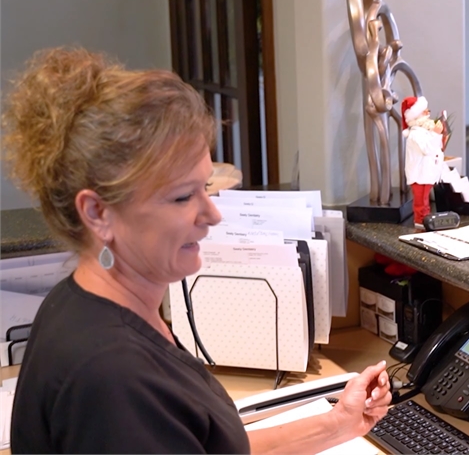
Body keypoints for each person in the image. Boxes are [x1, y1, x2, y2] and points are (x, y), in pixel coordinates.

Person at [3, 47, 393, 453]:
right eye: (181, 197)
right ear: (98, 212)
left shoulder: (86, 303)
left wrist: (337, 425)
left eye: (206, 187)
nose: (212, 214)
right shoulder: (113, 377)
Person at [401, 95, 446, 228]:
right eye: (424, 111)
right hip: (419, 175)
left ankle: (425, 219)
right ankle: (420, 221)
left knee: (425, 199)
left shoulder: (424, 131)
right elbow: (427, 148)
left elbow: (434, 147)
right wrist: (436, 134)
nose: (428, 113)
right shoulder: (416, 134)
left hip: (425, 173)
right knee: (421, 200)